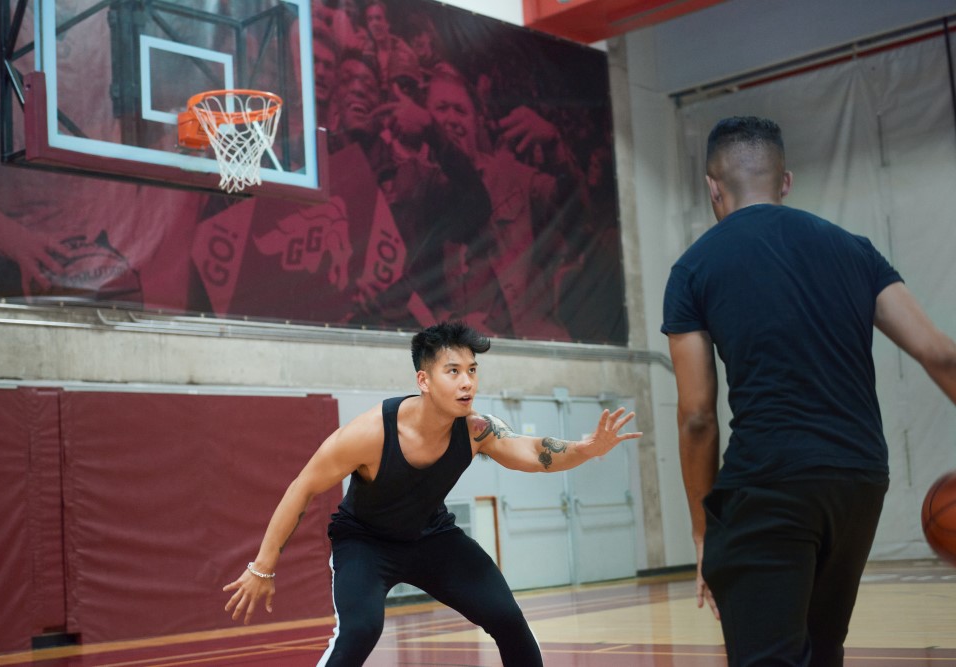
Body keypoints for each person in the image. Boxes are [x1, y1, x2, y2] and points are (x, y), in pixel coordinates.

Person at [661, 116, 956, 666]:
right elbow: (940, 353)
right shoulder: (856, 250)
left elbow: (698, 415)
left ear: (712, 187)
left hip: (769, 483)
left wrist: (703, 533)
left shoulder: (694, 267)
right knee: (822, 652)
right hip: (860, 481)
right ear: (786, 182)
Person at [222, 320, 642, 665]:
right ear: (424, 380)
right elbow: (303, 487)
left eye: (473, 370)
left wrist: (587, 449)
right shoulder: (371, 433)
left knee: (508, 619)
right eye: (453, 371)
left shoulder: (477, 430)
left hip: (433, 538)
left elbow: (532, 452)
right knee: (360, 631)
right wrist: (263, 565)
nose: (467, 383)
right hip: (366, 544)